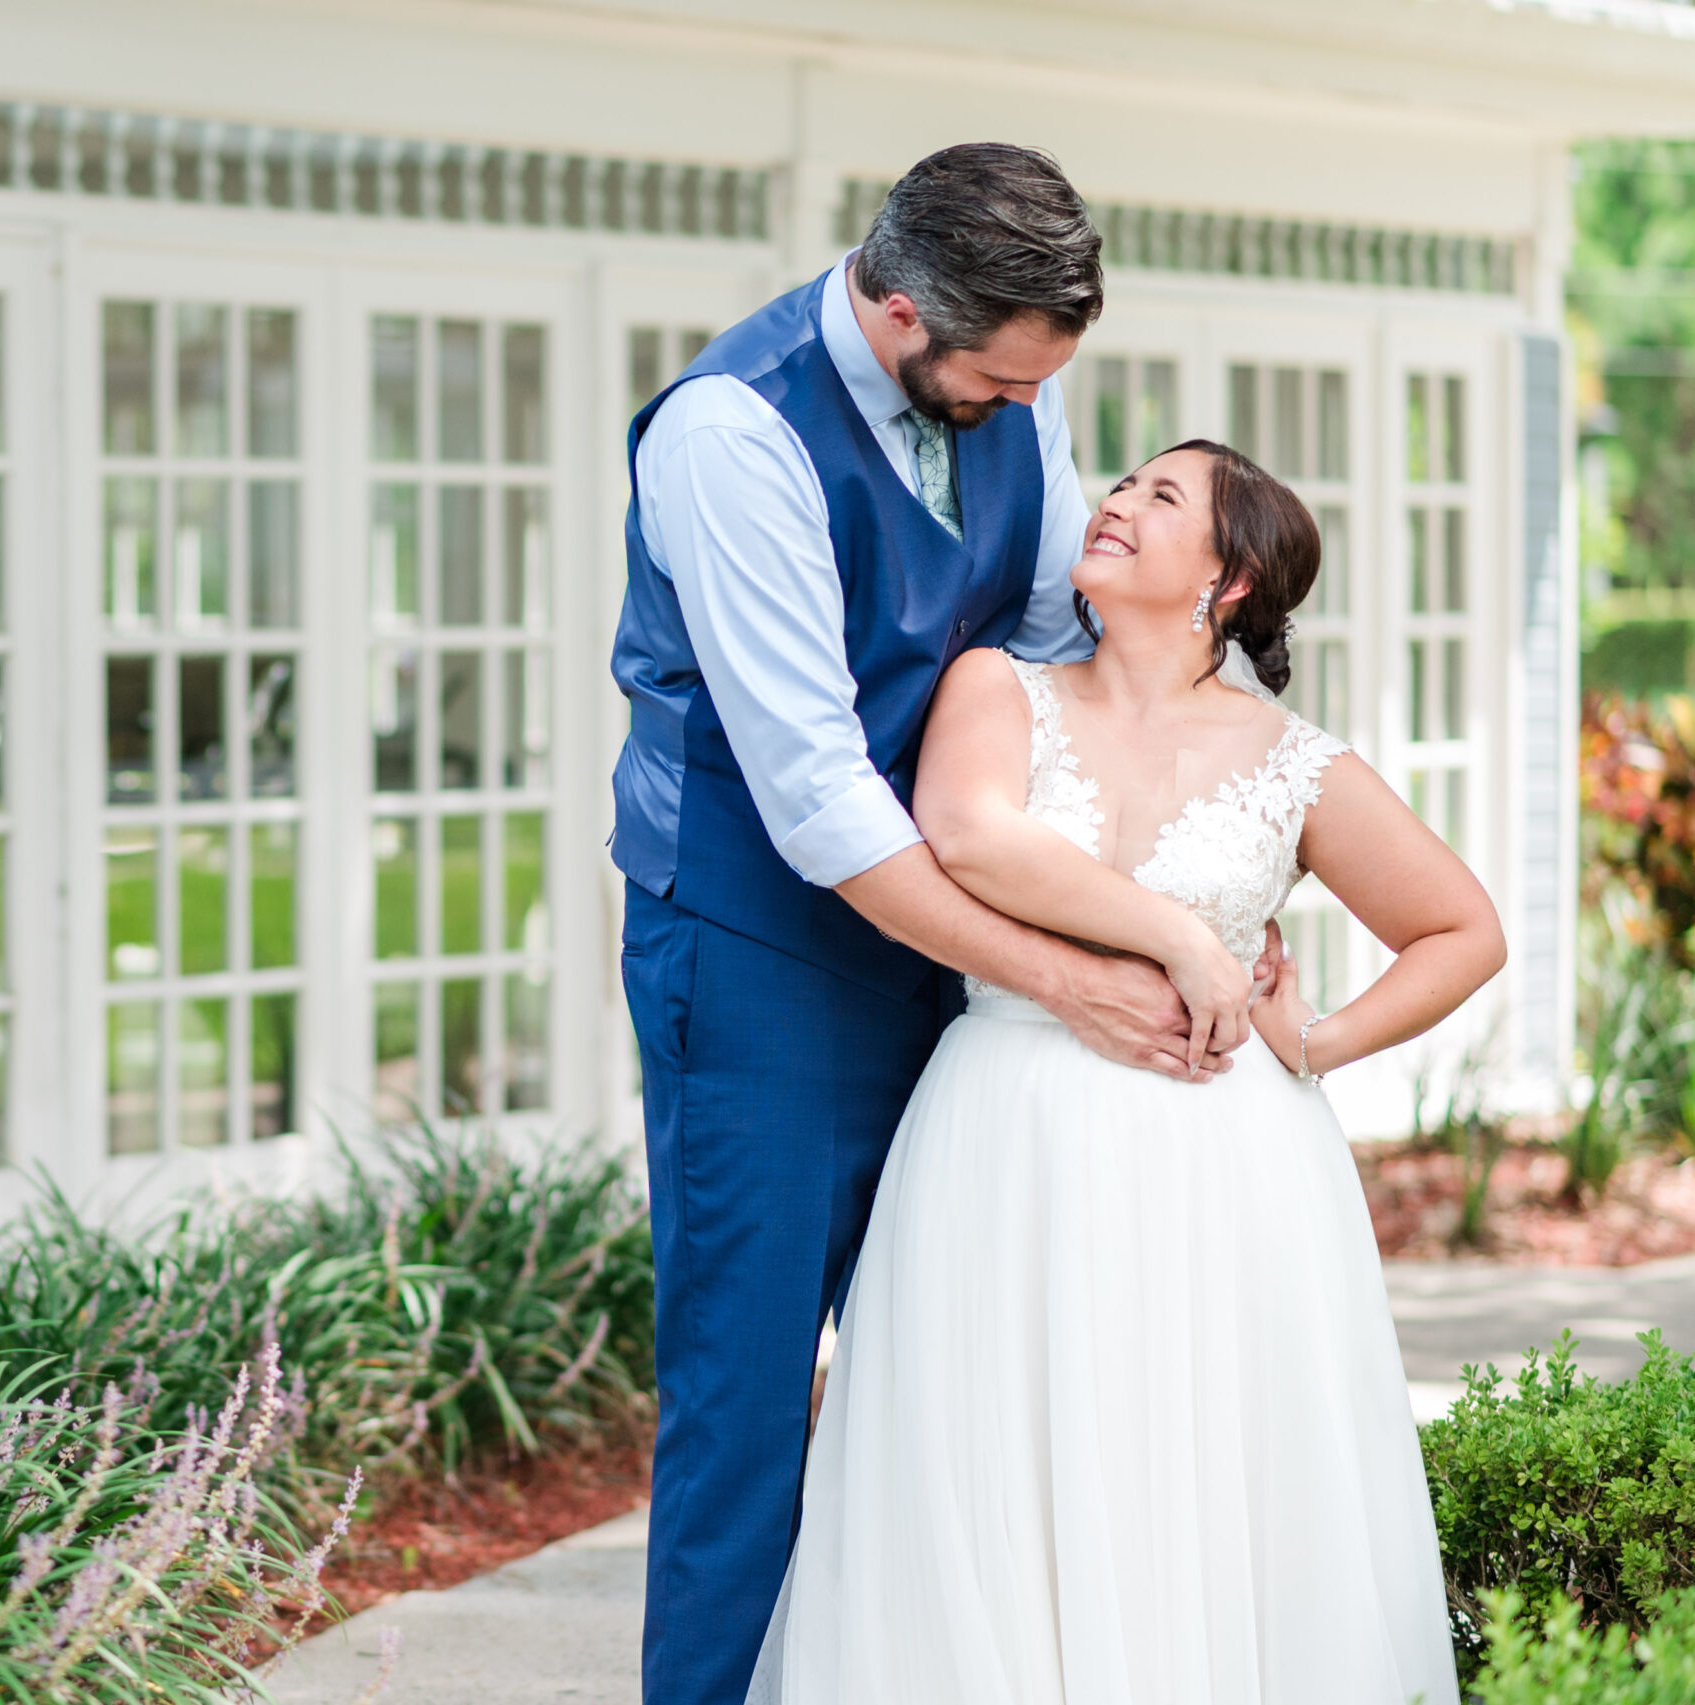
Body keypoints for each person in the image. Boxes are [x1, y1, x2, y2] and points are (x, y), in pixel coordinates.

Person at [611, 143, 1267, 1705]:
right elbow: (821, 799)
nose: (1028, 417)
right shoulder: (733, 436)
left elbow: (1065, 658)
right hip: (757, 948)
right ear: (901, 311)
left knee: (951, 1370)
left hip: (959, 949)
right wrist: (1070, 973)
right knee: (751, 1395)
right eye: (997, 380)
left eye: (1047, 384)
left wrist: (1197, 898)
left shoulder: (1012, 405)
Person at [747, 439, 1497, 1703]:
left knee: (1190, 1466)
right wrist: (1181, 937)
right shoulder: (997, 685)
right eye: (1122, 484)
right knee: (987, 1462)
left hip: (1226, 1165)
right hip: (1003, 1132)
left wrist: (1316, 1043)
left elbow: (1462, 929)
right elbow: (969, 834)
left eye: (1162, 499)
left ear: (1232, 580)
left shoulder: (1294, 762)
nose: (1114, 504)